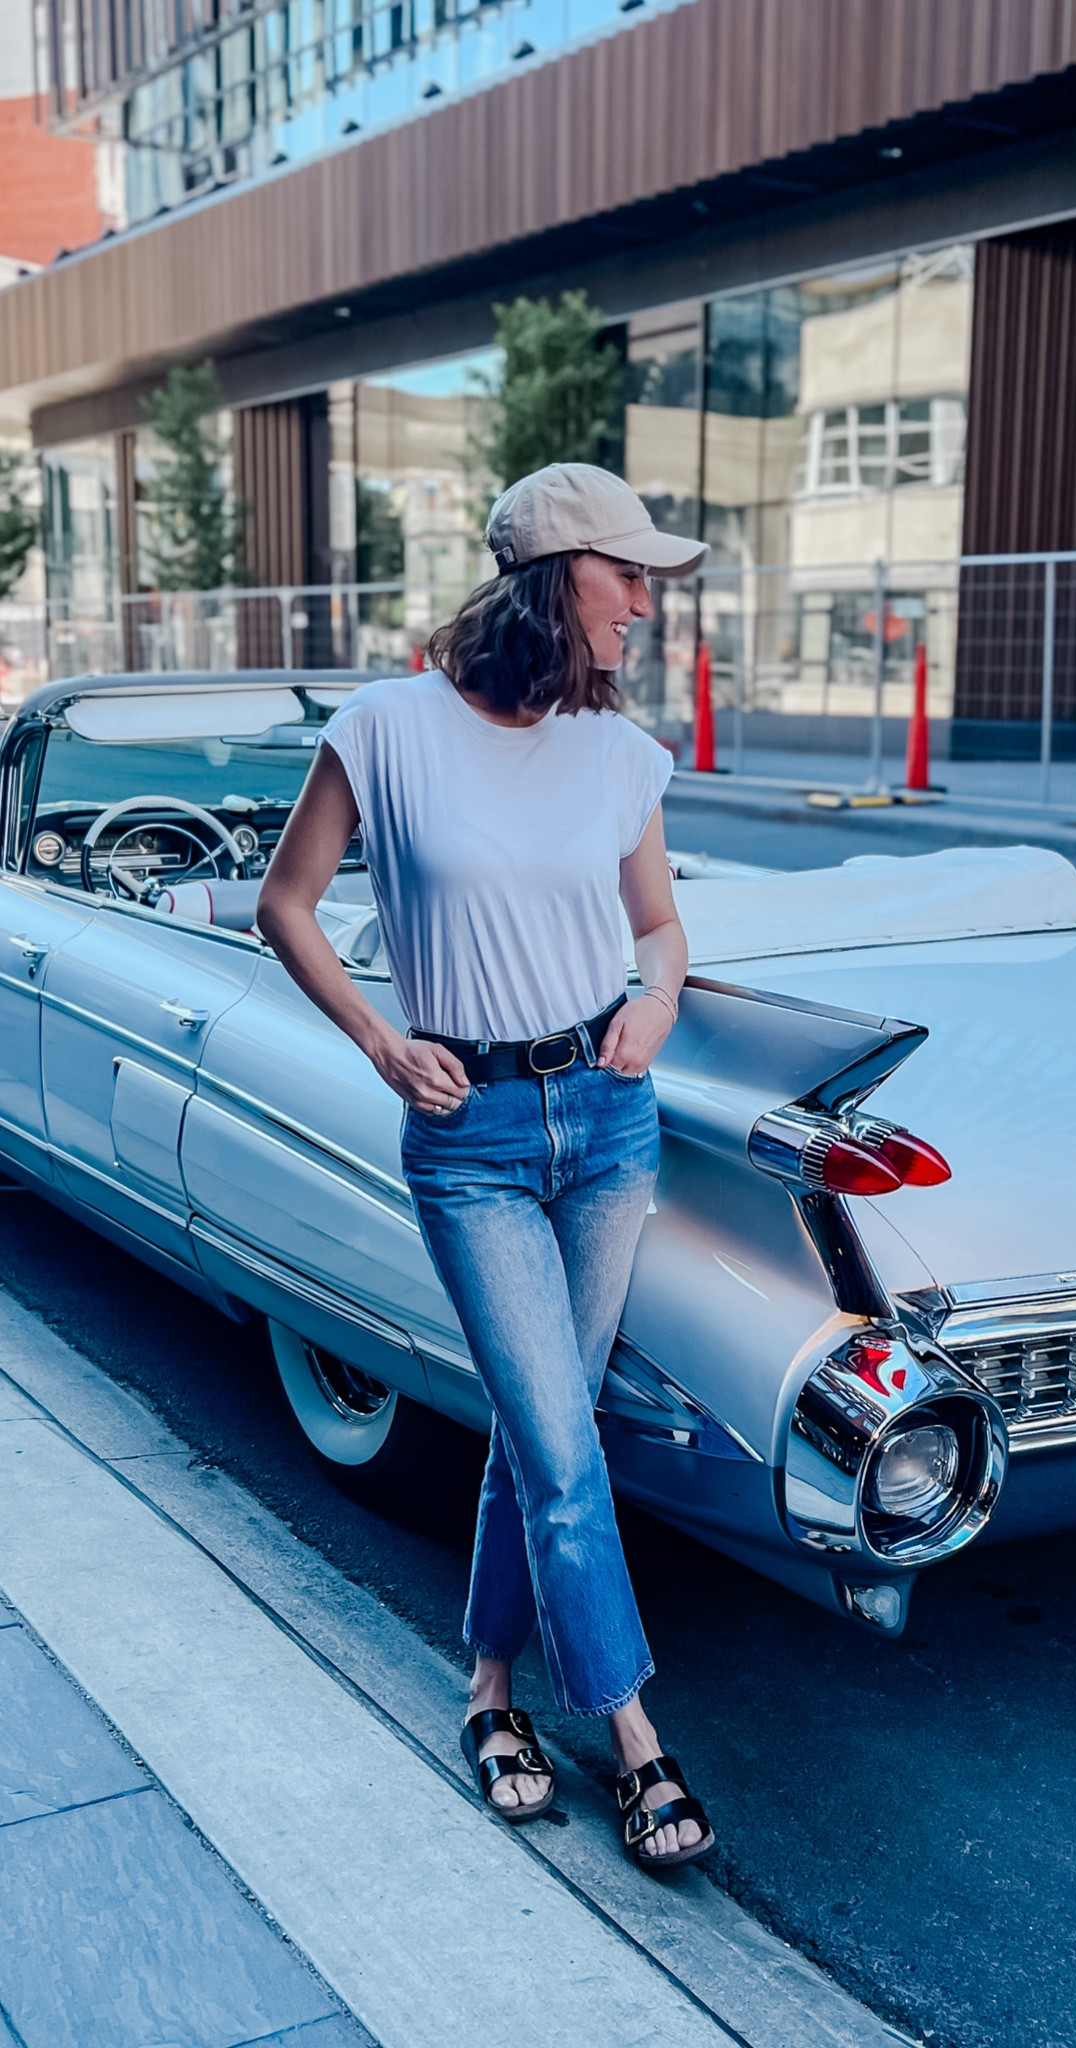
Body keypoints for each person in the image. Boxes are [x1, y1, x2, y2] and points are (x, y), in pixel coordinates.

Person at [257, 463, 715, 1869]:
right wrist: (383, 1045)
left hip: (610, 1121)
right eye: (627, 575)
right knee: (564, 1448)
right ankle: (635, 1739)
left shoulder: (618, 753)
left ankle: (491, 1693)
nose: (646, 604)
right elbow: (288, 904)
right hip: (471, 1137)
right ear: (556, 577)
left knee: (540, 1429)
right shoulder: (387, 729)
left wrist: (656, 1004)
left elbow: (659, 928)